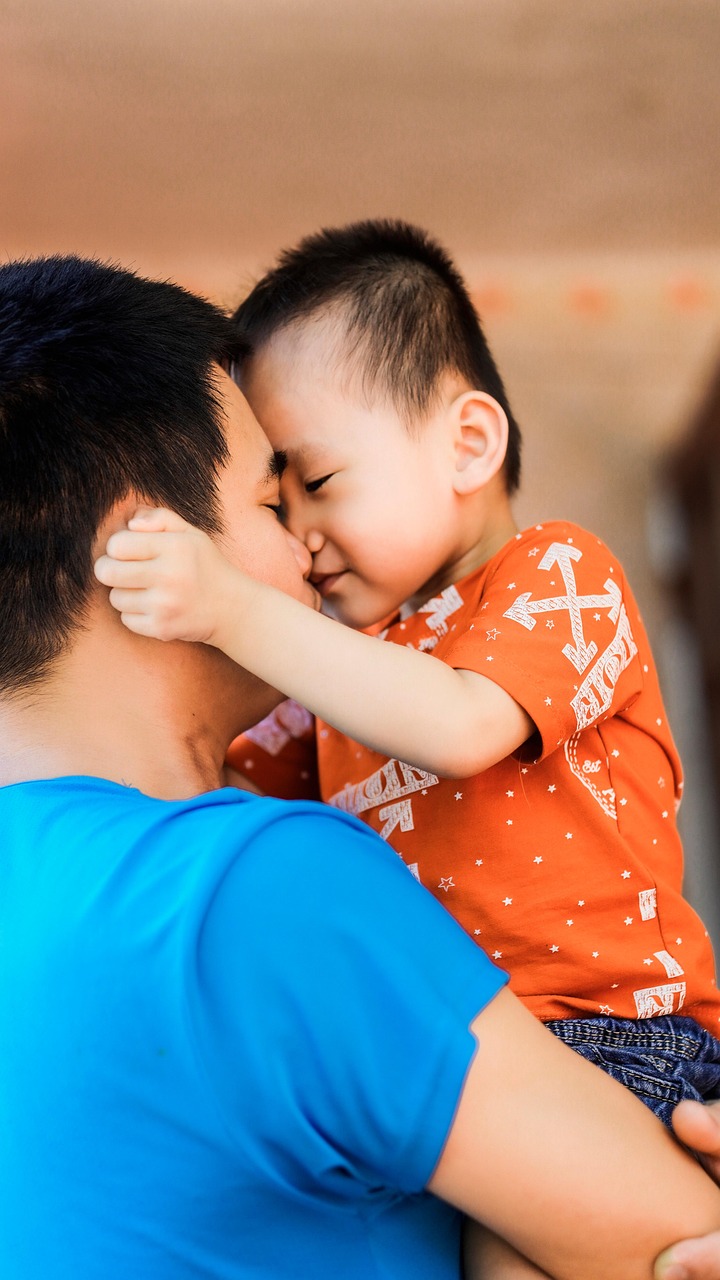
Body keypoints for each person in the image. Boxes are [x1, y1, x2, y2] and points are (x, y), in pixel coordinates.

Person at [2, 254, 720, 1280]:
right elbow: (680, 1243)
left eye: (320, 487)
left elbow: (451, 724)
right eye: (271, 502)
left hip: (619, 1028)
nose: (307, 550)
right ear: (143, 548)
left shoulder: (546, 577)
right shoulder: (257, 887)